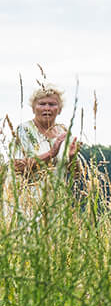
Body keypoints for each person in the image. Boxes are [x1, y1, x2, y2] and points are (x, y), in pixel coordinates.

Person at [6, 84, 77, 220]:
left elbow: (76, 174)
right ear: (33, 108)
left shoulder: (63, 132)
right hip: (28, 203)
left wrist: (72, 158)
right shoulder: (25, 130)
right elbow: (16, 166)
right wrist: (51, 153)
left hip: (56, 203)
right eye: (42, 104)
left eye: (52, 104)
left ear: (59, 109)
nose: (47, 108)